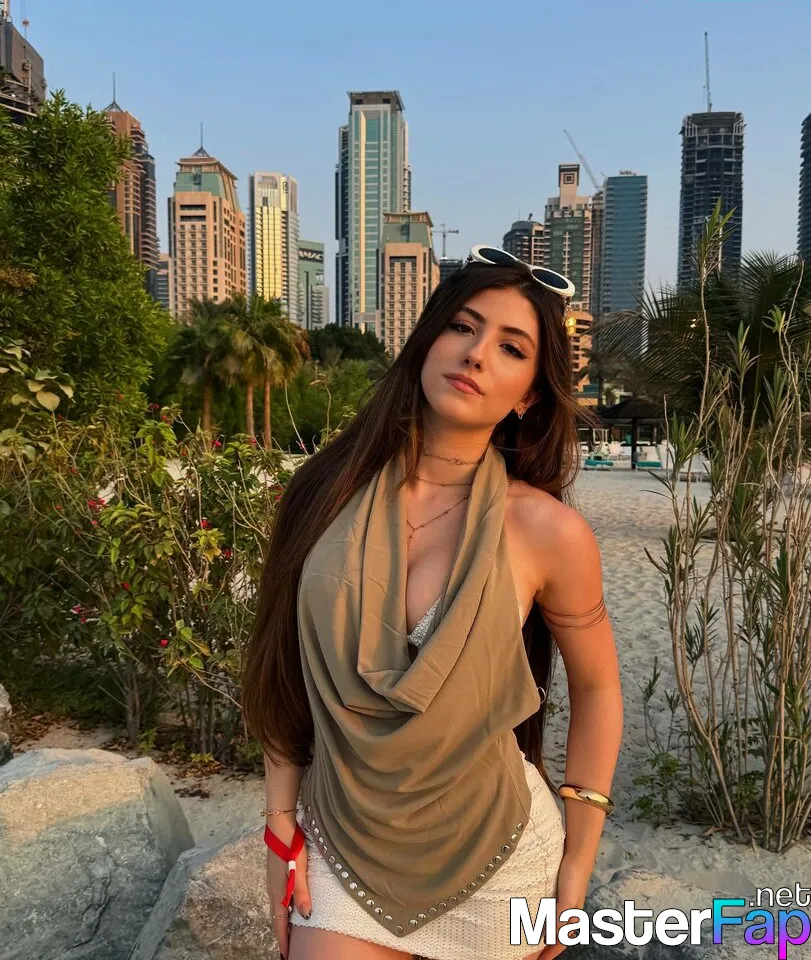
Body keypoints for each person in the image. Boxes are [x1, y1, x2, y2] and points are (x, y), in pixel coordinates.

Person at [242, 246, 624, 960]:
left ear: (528, 395)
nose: (476, 353)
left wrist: (577, 860)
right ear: (426, 342)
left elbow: (598, 688)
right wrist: (279, 823)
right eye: (462, 327)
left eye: (510, 347)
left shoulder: (546, 530)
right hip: (340, 841)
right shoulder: (324, 494)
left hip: (499, 856)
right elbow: (283, 669)